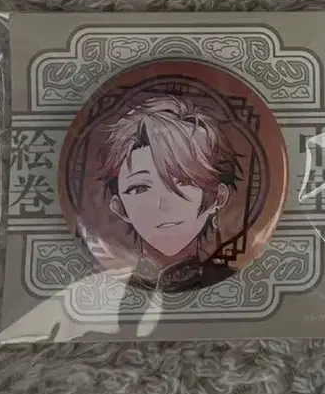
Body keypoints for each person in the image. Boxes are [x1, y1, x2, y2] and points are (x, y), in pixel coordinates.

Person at [100, 94, 244, 293]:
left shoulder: (232, 284)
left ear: (218, 198)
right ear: (120, 208)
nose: (163, 205)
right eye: (140, 188)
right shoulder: (105, 286)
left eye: (184, 182)